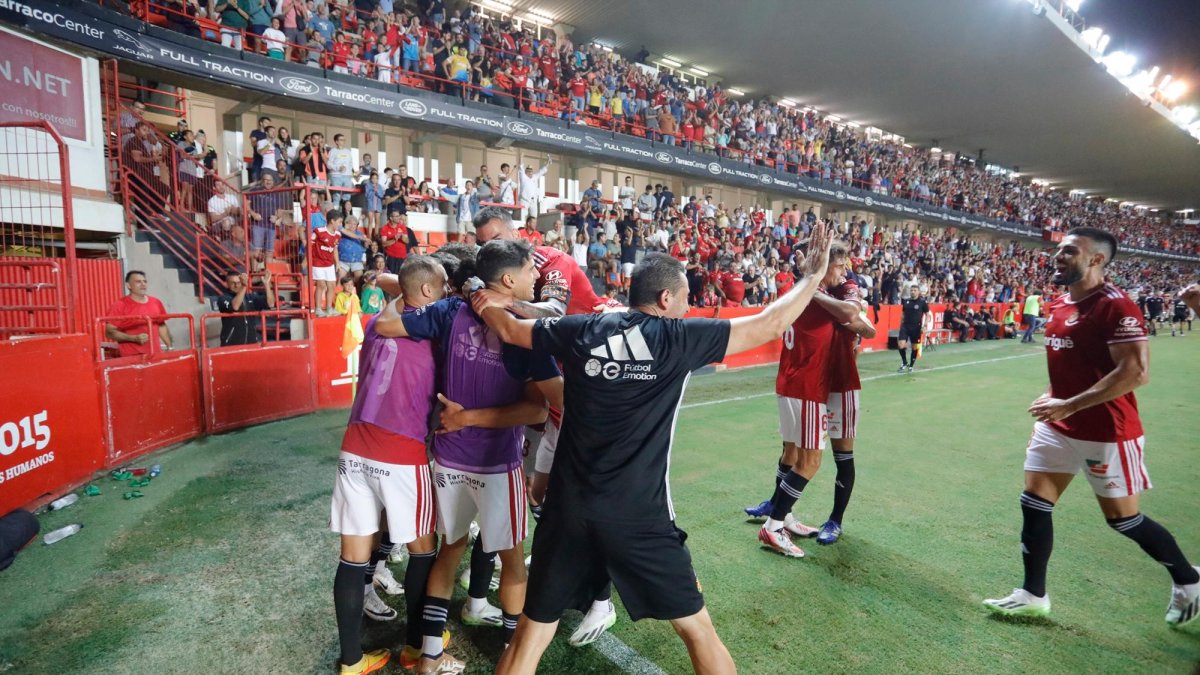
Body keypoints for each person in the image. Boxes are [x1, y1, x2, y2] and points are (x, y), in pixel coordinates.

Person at [472, 222, 833, 675]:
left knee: (531, 635)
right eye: (684, 299)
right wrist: (811, 278)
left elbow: (509, 329)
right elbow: (772, 322)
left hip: (567, 510)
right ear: (666, 299)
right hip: (637, 517)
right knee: (697, 629)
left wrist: (484, 299)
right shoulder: (679, 338)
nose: (687, 307)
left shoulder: (582, 328)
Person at [982, 228, 1200, 626]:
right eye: (1059, 249)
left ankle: (1189, 580)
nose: (1058, 256)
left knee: (1123, 519)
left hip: (1107, 431)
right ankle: (1034, 593)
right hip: (1059, 425)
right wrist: (1054, 396)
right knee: (1034, 501)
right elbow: (1072, 365)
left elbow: (1135, 372)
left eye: (1069, 251)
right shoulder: (1059, 304)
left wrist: (1069, 404)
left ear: (1097, 260)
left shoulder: (1117, 307)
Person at [376, 240, 560, 674]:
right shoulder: (525, 332)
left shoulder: (447, 311)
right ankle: (514, 654)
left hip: (448, 458)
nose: (538, 277)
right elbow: (539, 409)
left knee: (449, 551)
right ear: (510, 279)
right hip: (497, 466)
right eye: (531, 270)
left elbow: (388, 325)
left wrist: (401, 284)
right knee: (512, 563)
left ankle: (430, 658)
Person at [329, 256, 448, 675]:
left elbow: (392, 283)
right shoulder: (435, 335)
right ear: (430, 292)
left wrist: (405, 285)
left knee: (352, 558)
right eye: (444, 286)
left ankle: (351, 662)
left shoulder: (374, 323)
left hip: (354, 447)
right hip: (401, 452)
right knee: (422, 551)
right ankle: (417, 648)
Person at [751, 244, 872, 558]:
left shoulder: (827, 290)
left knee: (818, 453)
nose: (845, 273)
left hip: (821, 384)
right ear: (824, 265)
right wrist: (811, 282)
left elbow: (863, 325)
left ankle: (810, 517)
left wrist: (809, 283)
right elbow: (857, 321)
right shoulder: (811, 293)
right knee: (807, 459)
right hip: (807, 387)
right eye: (840, 266)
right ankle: (775, 521)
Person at [105, 271, 172, 357]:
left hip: (155, 354)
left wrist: (170, 347)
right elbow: (109, 332)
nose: (143, 284)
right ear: (129, 286)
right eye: (138, 282)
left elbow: (161, 325)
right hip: (132, 357)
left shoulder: (156, 302)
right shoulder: (120, 305)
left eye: (144, 281)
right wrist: (133, 338)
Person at [215, 270, 275, 346]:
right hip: (231, 345)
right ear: (226, 284)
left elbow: (271, 303)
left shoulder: (249, 297)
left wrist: (267, 285)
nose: (236, 285)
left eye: (239, 282)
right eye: (233, 283)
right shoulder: (223, 298)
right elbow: (235, 306)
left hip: (251, 343)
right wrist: (244, 286)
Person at [311, 210, 343, 317]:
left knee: (332, 285)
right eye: (339, 222)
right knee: (321, 285)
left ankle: (329, 308)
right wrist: (307, 260)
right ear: (332, 221)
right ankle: (318, 309)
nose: (340, 224)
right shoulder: (318, 231)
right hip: (318, 263)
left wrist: (337, 263)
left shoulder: (338, 235)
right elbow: (309, 245)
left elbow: (335, 249)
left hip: (329, 264)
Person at [896, 285, 930, 373]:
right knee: (901, 345)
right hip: (905, 326)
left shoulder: (922, 302)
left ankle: (911, 365)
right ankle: (904, 362)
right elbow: (903, 313)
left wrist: (925, 325)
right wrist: (901, 323)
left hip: (916, 327)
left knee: (914, 347)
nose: (912, 292)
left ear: (918, 292)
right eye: (911, 290)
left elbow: (927, 315)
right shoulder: (906, 301)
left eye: (915, 290)